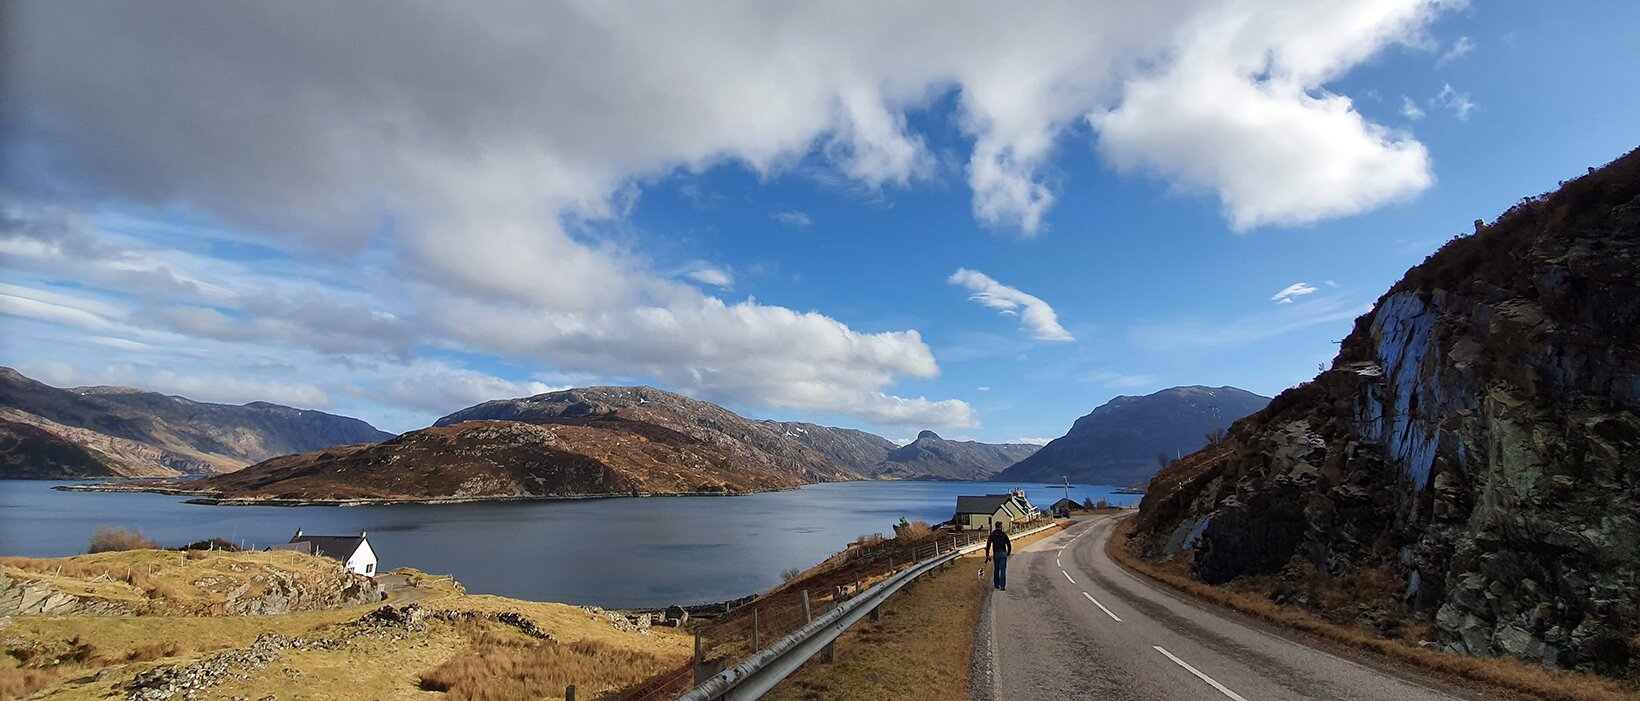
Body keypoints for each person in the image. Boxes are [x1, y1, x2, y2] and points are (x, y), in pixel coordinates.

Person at [984, 522, 1012, 591]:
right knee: (1003, 570)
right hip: (1003, 553)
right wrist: (1008, 553)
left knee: (996, 569)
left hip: (996, 554)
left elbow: (988, 546)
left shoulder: (992, 534)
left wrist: (987, 554)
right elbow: (1009, 544)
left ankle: (996, 584)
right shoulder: (1004, 535)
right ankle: (1002, 586)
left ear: (995, 526)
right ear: (1000, 526)